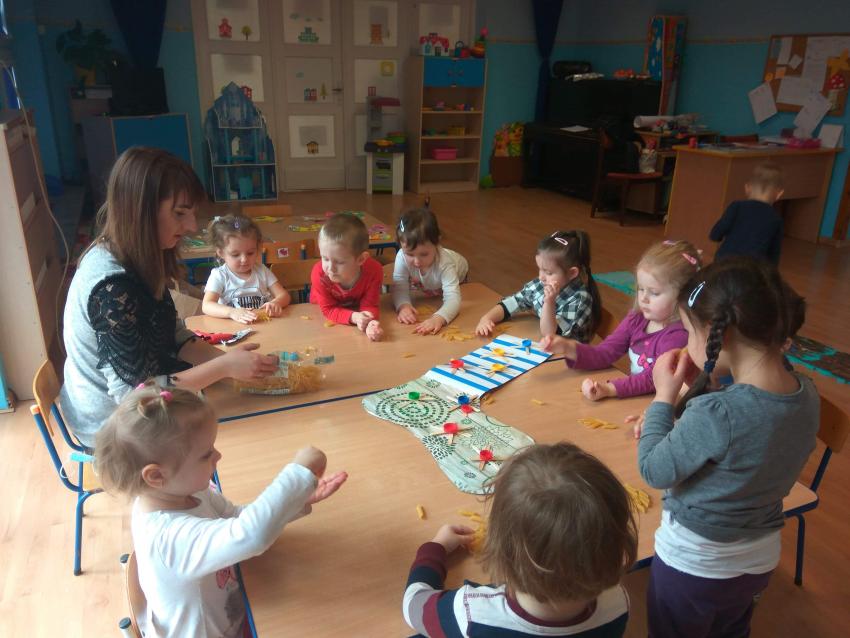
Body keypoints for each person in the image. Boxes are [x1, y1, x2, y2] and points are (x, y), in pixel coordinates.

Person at [636, 257, 819, 638]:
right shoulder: (807, 394)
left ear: (719, 334)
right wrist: (710, 386)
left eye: (688, 332)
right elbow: (750, 438)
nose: (686, 343)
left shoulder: (718, 413)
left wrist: (663, 398)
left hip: (695, 563)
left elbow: (654, 469)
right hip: (757, 560)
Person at [60, 147, 279, 448]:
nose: (191, 226)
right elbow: (137, 398)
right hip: (112, 425)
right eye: (179, 214)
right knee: (243, 442)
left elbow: (172, 334)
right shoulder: (112, 287)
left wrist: (229, 362)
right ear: (141, 210)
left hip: (145, 394)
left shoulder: (137, 255)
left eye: (191, 213)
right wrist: (224, 368)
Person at [95, 384, 347, 638]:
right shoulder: (168, 539)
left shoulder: (186, 491)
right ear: (156, 476)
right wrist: (297, 474)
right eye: (206, 455)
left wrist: (296, 501)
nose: (218, 456)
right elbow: (251, 536)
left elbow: (236, 518)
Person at [403, 443, 637, 637]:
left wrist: (436, 548)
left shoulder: (474, 614)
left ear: (502, 550)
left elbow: (413, 604)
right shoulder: (619, 604)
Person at [541, 240, 700, 401]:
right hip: (637, 401)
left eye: (654, 293)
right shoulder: (637, 318)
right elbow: (605, 353)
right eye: (641, 289)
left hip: (663, 406)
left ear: (683, 296)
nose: (643, 298)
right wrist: (568, 347)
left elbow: (653, 379)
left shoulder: (678, 336)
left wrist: (610, 388)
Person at [475, 230, 599, 341]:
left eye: (548, 272)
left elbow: (549, 334)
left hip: (567, 354)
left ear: (572, 273)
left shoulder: (579, 299)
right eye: (540, 269)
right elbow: (514, 302)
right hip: (543, 344)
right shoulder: (541, 284)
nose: (541, 277)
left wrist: (549, 302)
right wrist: (487, 318)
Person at [392, 207, 469, 335]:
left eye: (424, 254)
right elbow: (399, 285)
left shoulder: (445, 263)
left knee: (449, 296)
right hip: (432, 278)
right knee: (429, 293)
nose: (417, 261)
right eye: (410, 254)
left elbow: (453, 298)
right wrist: (403, 305)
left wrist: (439, 318)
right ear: (400, 244)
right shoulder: (401, 256)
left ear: (437, 243)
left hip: (459, 271)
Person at [201, 214, 291, 323]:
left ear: (257, 249)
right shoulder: (219, 275)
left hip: (263, 324)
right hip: (232, 327)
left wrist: (276, 303)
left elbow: (284, 295)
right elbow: (207, 305)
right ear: (221, 253)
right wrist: (231, 312)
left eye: (250, 253)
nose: (244, 259)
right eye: (235, 255)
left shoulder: (262, 271)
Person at [310, 213, 384, 341]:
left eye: (339, 262)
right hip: (320, 318)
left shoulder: (374, 271)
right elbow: (328, 309)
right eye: (325, 258)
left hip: (353, 316)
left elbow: (370, 305)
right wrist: (355, 317)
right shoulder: (319, 274)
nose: (330, 268)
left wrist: (370, 323)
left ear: (361, 259)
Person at [709, 162, 784, 264]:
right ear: (779, 194)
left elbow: (716, 233)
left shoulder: (736, 206)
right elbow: (774, 254)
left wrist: (716, 236)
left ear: (747, 188)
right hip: (751, 267)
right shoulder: (776, 219)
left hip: (724, 261)